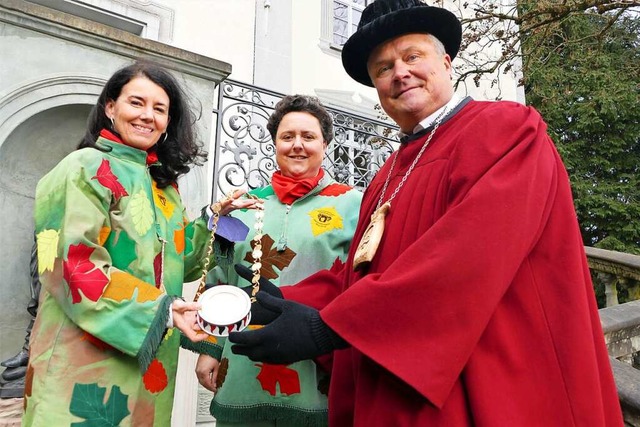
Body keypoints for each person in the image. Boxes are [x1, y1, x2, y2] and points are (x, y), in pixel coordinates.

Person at [227, 1, 625, 426]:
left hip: (483, 382)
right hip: (392, 387)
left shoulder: (506, 130)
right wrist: (284, 301)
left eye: (412, 56)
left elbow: (469, 257)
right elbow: (359, 274)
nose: (399, 73)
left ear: (447, 62)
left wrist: (332, 327)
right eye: (383, 68)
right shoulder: (385, 175)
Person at [22, 60, 254, 426]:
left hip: (149, 367)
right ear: (110, 107)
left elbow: (183, 261)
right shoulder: (83, 168)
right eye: (136, 103)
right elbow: (70, 264)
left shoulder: (165, 190)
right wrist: (162, 309)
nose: (148, 116)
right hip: (83, 360)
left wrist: (215, 220)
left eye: (159, 109)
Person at [188, 94, 362, 427]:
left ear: (325, 143)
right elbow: (221, 279)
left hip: (317, 358)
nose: (297, 145)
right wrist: (210, 347)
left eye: (308, 136)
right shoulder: (246, 204)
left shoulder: (353, 204)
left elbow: (364, 283)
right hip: (242, 360)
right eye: (287, 137)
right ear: (274, 144)